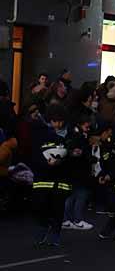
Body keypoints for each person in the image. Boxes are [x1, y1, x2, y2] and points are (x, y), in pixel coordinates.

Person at [30, 103, 72, 247]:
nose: (58, 124)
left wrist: (63, 159)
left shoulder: (68, 136)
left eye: (61, 121)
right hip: (42, 179)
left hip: (60, 181)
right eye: (55, 121)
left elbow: (71, 155)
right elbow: (34, 154)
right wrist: (45, 162)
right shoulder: (40, 134)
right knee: (41, 206)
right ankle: (42, 229)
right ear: (50, 120)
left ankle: (55, 233)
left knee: (58, 208)